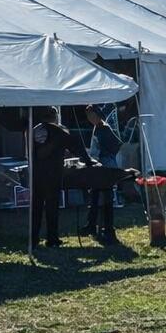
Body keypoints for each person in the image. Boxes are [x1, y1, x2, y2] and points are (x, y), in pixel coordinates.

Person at [29, 106, 93, 248]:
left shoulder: (33, 130)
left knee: (36, 207)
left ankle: (33, 238)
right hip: (52, 174)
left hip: (36, 174)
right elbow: (76, 147)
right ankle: (52, 239)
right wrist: (88, 161)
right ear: (55, 116)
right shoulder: (59, 131)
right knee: (52, 207)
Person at [81, 105, 123, 245]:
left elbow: (115, 145)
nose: (90, 118)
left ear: (98, 114)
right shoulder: (97, 128)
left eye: (92, 115)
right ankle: (92, 225)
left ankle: (107, 228)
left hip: (106, 165)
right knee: (94, 195)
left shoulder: (104, 129)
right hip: (98, 165)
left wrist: (101, 157)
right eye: (88, 116)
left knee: (105, 197)